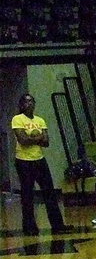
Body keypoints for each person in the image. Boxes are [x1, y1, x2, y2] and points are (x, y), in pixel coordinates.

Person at [11, 94, 73, 236]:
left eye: (32, 101)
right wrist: (38, 137)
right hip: (23, 161)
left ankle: (57, 225)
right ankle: (29, 227)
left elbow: (46, 142)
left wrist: (33, 138)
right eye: (26, 102)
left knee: (49, 192)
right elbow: (23, 140)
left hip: (39, 159)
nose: (30, 104)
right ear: (21, 105)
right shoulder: (17, 119)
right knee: (27, 195)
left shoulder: (40, 120)